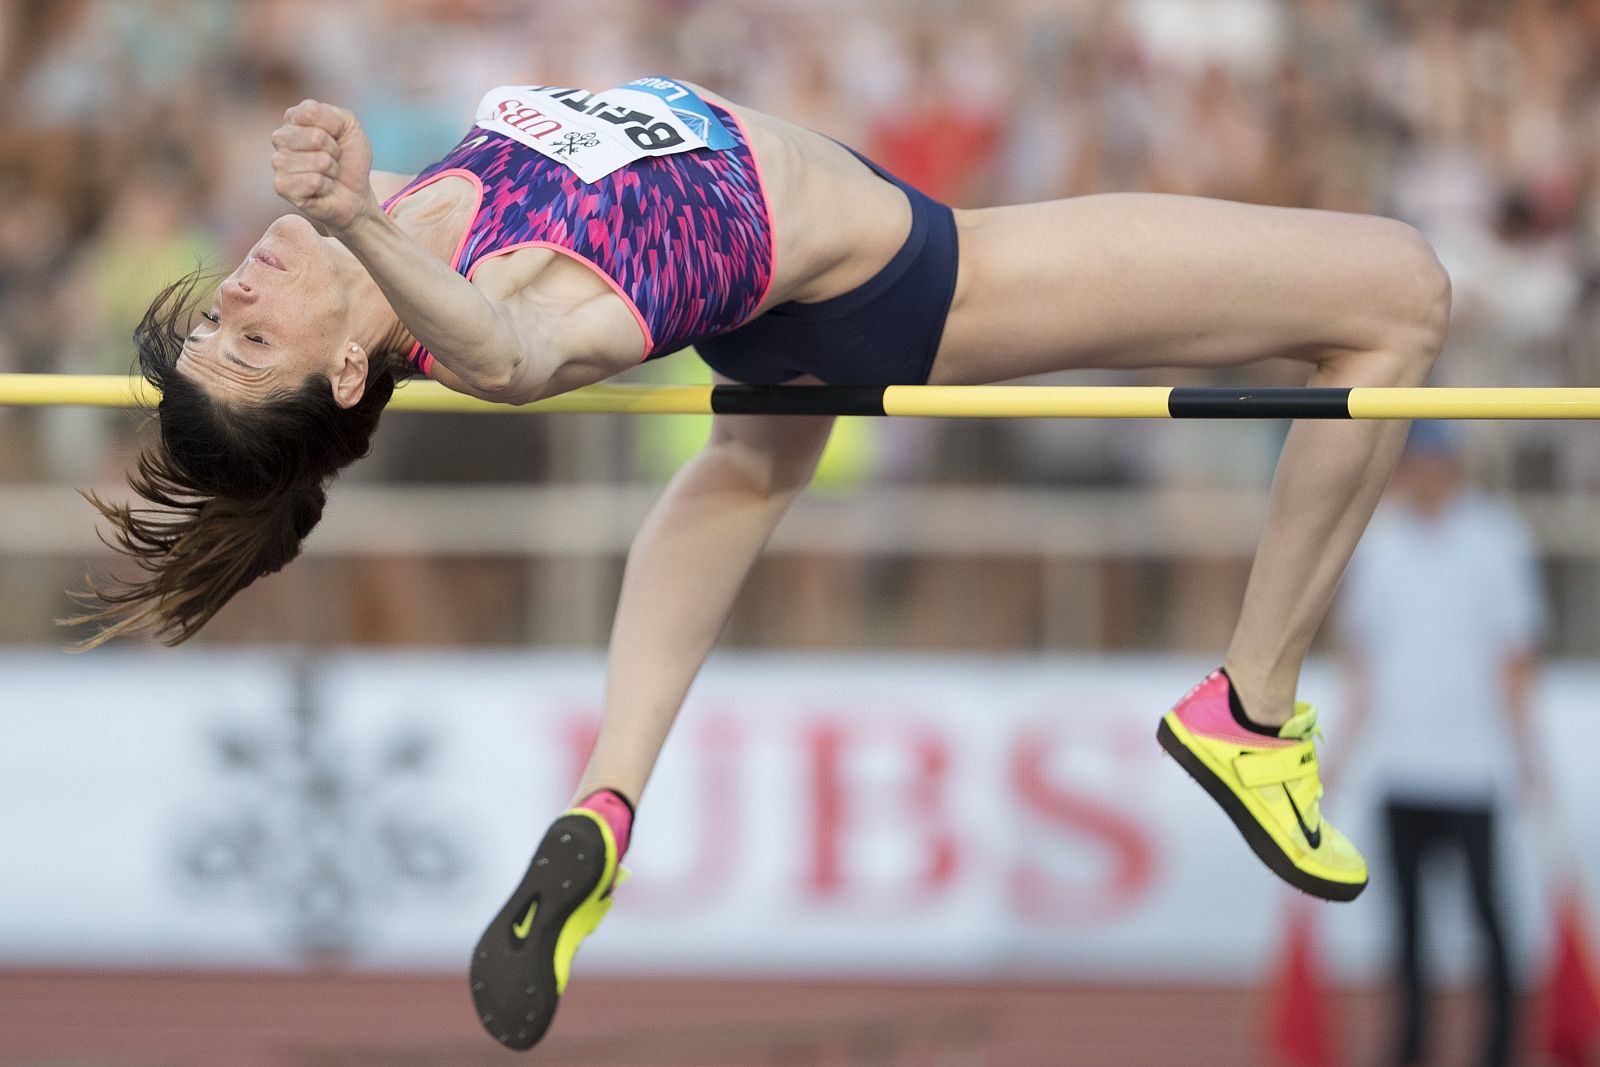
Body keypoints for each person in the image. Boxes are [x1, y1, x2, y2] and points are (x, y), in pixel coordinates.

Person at [73, 77, 1449, 1050]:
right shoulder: (508, 308)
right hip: (923, 288)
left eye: (215, 326)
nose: (234, 298)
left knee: (748, 463)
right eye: (248, 345)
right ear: (342, 368)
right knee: (1398, 296)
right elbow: (512, 354)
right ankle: (1252, 706)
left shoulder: (410, 212)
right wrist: (361, 219)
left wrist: (359, 200)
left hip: (781, 304)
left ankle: (606, 800)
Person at [1337, 422, 1546, 1067]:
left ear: (1452, 465)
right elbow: (1362, 660)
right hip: (1401, 764)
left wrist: (1525, 753)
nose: (1424, 475)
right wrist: (1343, 751)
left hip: (1473, 763)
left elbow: (1515, 655)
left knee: (1490, 923)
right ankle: (1409, 1051)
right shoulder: (1378, 545)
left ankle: (1501, 1049)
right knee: (1407, 936)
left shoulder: (1497, 538)